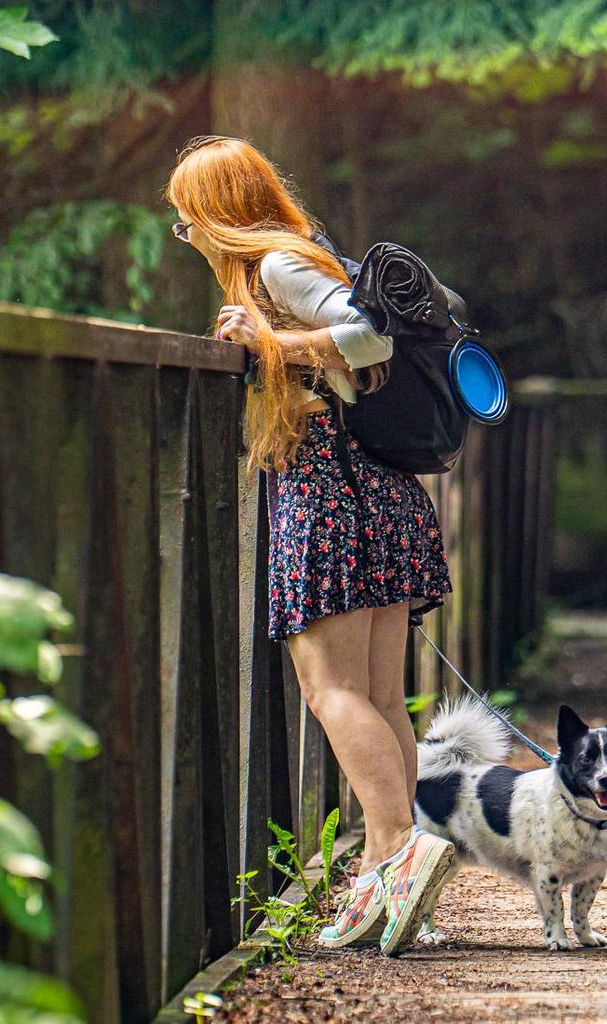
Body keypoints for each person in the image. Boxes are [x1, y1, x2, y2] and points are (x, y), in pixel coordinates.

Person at [165, 135, 455, 956]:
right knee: (377, 693)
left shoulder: (277, 266)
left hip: (331, 486)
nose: (190, 238)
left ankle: (396, 851)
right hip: (376, 488)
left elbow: (371, 339)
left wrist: (269, 343)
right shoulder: (300, 257)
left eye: (189, 222)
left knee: (330, 689)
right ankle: (389, 880)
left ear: (217, 213)